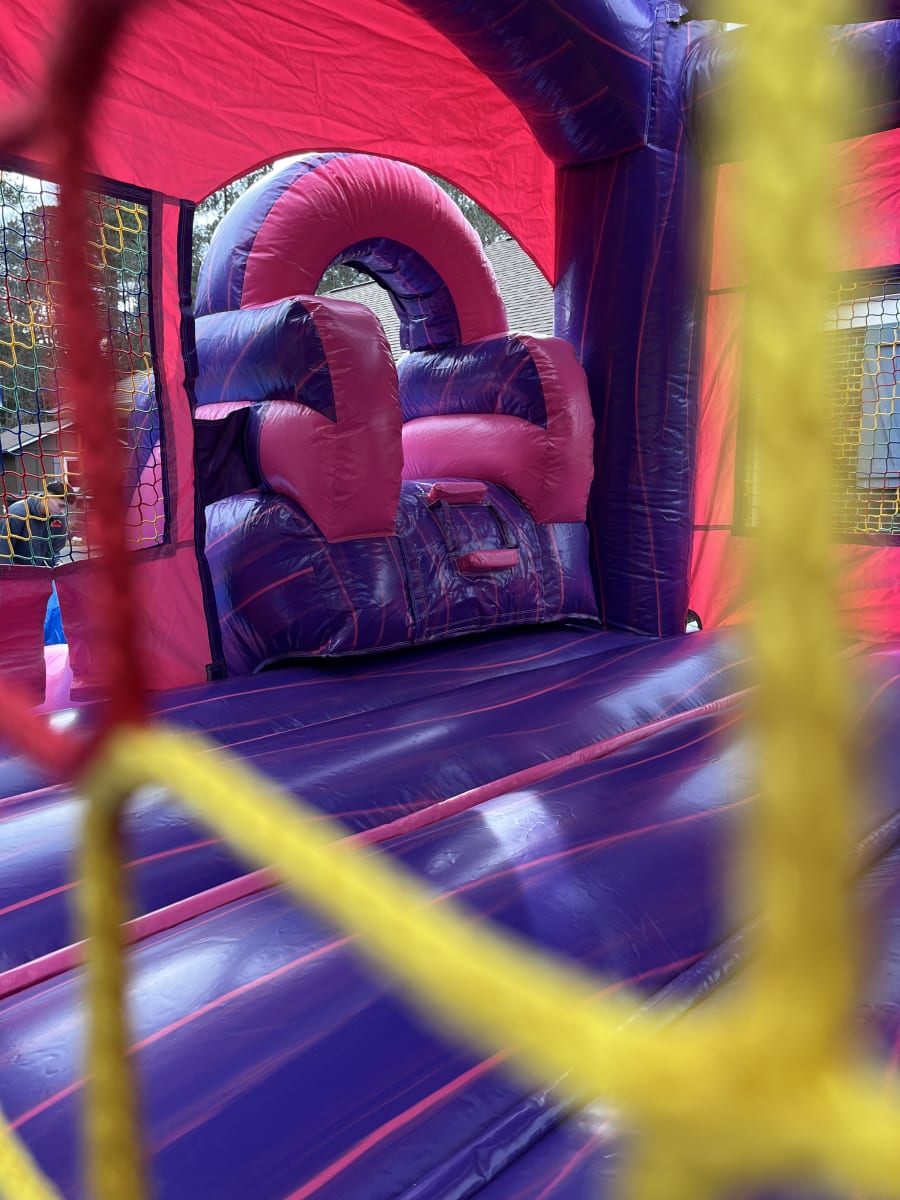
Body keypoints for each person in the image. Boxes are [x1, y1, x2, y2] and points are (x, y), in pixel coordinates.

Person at [0, 478, 72, 567]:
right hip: (16, 571)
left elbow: (54, 551)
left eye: (65, 508)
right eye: (61, 506)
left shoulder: (59, 518)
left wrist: (57, 563)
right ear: (47, 497)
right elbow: (3, 552)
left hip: (39, 571)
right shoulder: (17, 514)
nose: (62, 511)